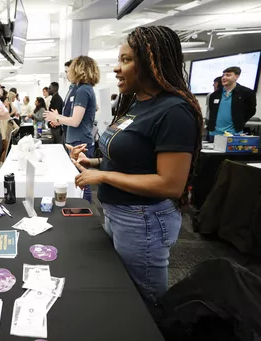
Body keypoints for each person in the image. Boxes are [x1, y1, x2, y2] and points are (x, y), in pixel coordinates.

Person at [69, 26, 201, 304]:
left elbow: (170, 184)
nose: (117, 69)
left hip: (144, 221)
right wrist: (91, 161)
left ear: (153, 63)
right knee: (123, 292)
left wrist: (103, 176)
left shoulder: (174, 111)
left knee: (146, 301)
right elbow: (131, 158)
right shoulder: (135, 104)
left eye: (126, 60)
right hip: (120, 214)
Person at [45, 56, 99, 202]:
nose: (68, 73)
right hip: (77, 139)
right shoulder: (81, 89)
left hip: (80, 141)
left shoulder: (82, 90)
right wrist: (60, 119)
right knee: (80, 179)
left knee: (82, 181)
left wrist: (57, 118)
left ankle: (86, 211)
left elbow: (75, 121)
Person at [207, 67, 256, 137]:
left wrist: (239, 121)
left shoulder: (246, 93)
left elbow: (251, 111)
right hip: (214, 133)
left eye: (228, 75)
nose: (224, 78)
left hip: (234, 134)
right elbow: (211, 112)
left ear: (236, 77)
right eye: (223, 75)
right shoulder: (214, 95)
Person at [62, 59, 76, 138]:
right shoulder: (71, 89)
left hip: (75, 133)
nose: (67, 75)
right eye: (65, 72)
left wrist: (58, 119)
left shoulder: (81, 89)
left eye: (68, 72)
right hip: (67, 130)